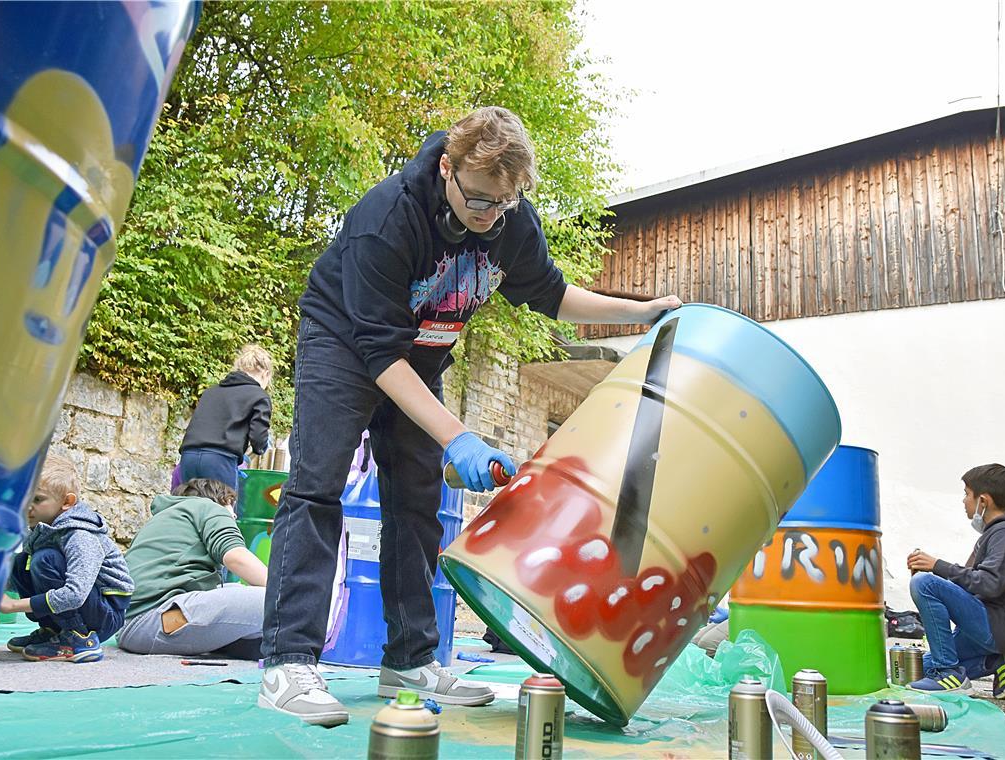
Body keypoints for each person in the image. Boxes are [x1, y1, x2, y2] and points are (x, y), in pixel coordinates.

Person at [258, 106, 680, 727]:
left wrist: (640, 314)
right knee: (317, 487)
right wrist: (458, 436)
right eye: (479, 201)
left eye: (504, 205)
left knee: (416, 501)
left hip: (421, 356)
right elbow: (378, 354)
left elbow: (551, 293)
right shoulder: (388, 219)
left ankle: (410, 660)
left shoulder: (508, 217)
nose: (489, 217)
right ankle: (288, 664)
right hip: (344, 344)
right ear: (448, 169)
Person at [906, 463, 1005, 695]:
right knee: (920, 667)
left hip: (1000, 625)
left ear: (983, 501)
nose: (964, 500)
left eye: (966, 494)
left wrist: (936, 567)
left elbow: (989, 584)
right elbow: (974, 585)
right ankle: (995, 662)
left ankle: (949, 673)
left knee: (923, 584)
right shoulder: (996, 534)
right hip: (988, 624)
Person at [0, 454, 133, 663]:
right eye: (25, 498)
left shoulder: (80, 535)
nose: (28, 506)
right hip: (87, 605)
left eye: (37, 499)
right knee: (20, 562)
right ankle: (53, 631)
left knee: (45, 560)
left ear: (67, 502)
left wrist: (13, 606)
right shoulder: (41, 530)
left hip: (105, 613)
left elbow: (75, 595)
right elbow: (23, 579)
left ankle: (79, 638)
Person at [118, 479, 267, 660]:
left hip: (132, 626)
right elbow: (236, 557)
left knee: (235, 591)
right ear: (220, 500)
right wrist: (285, 593)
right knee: (282, 600)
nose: (234, 517)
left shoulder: (164, 519)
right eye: (231, 509)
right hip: (157, 620)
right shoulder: (207, 507)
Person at [177, 344, 273, 493]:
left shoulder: (210, 392)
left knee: (191, 510)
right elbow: (258, 440)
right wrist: (263, 445)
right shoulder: (259, 396)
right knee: (221, 512)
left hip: (189, 457)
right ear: (266, 374)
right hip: (220, 460)